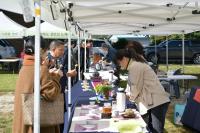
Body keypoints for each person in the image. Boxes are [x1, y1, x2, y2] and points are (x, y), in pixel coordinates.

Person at [12, 36, 63, 133]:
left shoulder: (25, 67)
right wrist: (56, 77)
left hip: (23, 122)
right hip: (37, 125)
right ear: (41, 51)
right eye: (46, 51)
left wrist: (48, 73)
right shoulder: (40, 69)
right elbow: (51, 94)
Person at [115, 48, 170, 133]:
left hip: (158, 101)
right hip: (152, 101)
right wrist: (126, 93)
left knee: (156, 130)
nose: (119, 65)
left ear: (125, 59)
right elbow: (131, 84)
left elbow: (136, 87)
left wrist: (130, 97)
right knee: (149, 128)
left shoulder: (135, 66)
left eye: (119, 62)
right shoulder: (134, 65)